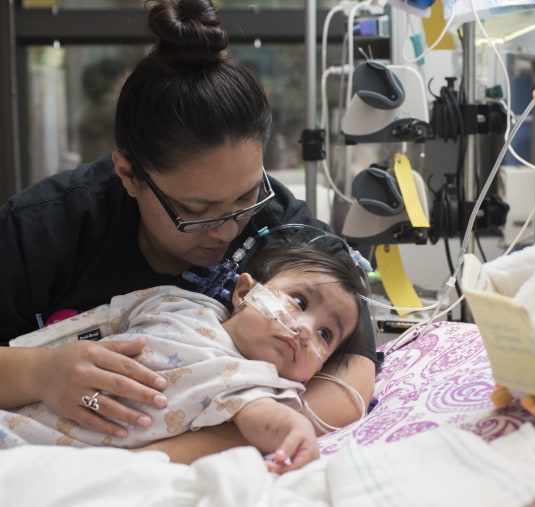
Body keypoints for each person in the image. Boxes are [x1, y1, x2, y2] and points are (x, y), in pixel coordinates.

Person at [0, 0, 379, 463]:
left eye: (245, 198)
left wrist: (157, 459)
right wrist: (37, 373)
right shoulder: (47, 227)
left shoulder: (286, 238)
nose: (227, 231)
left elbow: (355, 373)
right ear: (129, 175)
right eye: (197, 209)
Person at [2, 241, 368, 473]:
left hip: (56, 461)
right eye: (300, 302)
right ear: (243, 292)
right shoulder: (175, 303)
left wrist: (295, 431)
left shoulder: (258, 384)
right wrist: (36, 355)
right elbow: (96, 326)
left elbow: (267, 421)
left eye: (326, 335)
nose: (305, 330)